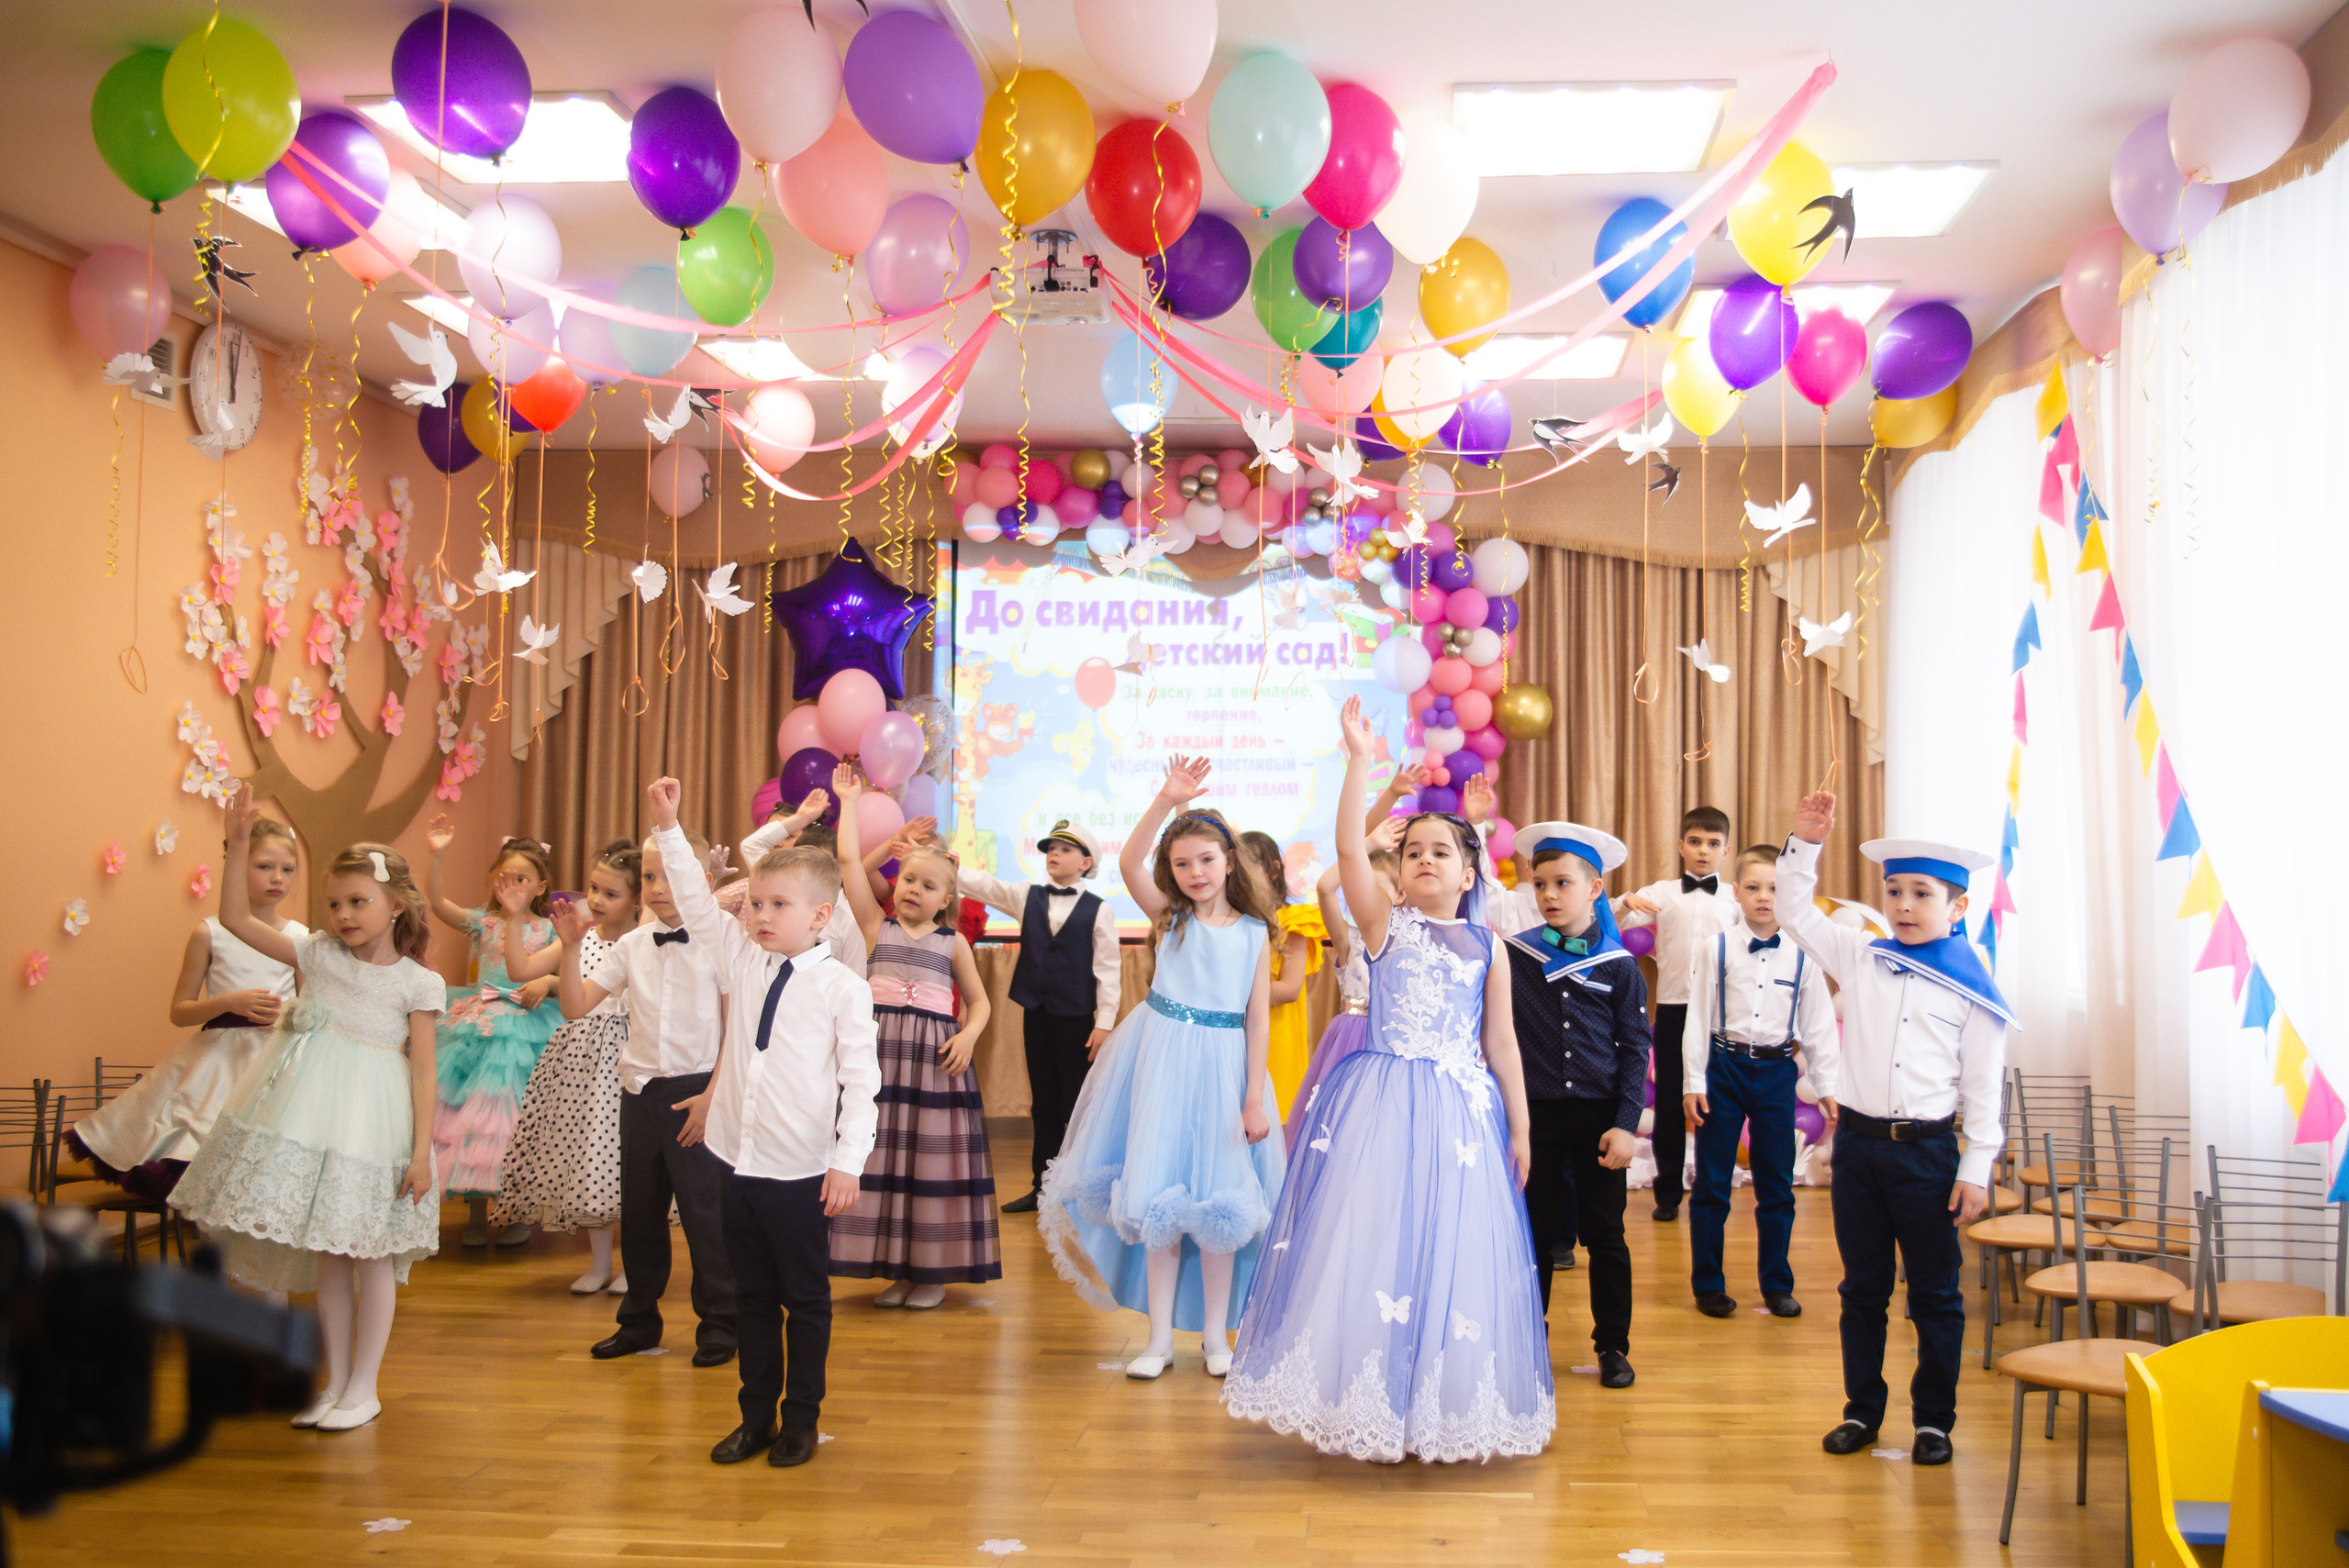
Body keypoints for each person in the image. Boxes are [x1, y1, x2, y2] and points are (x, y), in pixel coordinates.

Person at [1225, 698, 1552, 1462]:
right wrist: (1359, 761)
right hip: (1382, 1101)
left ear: (1471, 872)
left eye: (1443, 851)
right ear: (1399, 873)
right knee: (1375, 1244)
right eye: (1414, 851)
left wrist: (1522, 1124)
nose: (1426, 859)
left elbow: (1499, 1040)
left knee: (1448, 1247)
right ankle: (1367, 1396)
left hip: (1463, 1112)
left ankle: (1435, 1405)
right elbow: (1345, 850)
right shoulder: (1384, 926)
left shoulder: (1489, 945)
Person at [171, 787, 443, 1432]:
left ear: (394, 903)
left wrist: (422, 1149)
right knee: (329, 1253)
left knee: (370, 1250)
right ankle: (336, 1382)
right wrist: (237, 843)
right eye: (334, 903)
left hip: (376, 1120)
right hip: (314, 1112)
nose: (343, 914)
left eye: (358, 901)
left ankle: (366, 1385)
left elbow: (425, 1069)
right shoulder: (315, 953)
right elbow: (235, 918)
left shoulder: (416, 981)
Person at [651, 776, 880, 1470]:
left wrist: (848, 1161)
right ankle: (755, 1416)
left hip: (802, 1172)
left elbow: (861, 1083)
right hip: (736, 1162)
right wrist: (668, 824)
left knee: (804, 1301)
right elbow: (694, 896)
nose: (759, 914)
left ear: (820, 917)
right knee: (752, 1298)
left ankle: (800, 1420)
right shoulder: (740, 956)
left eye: (778, 904)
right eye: (755, 902)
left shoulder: (842, 987)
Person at [1776, 792, 2009, 1468]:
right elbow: (1792, 912)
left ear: (1957, 906)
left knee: (1935, 1292)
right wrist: (1805, 843)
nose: (1904, 905)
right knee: (1862, 1288)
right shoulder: (1862, 956)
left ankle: (1934, 1420)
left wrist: (1975, 1169)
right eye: (1895, 891)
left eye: (1922, 894)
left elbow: (1982, 1087)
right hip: (1859, 1151)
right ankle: (1861, 1410)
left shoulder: (1975, 989)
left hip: (1929, 1153)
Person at [1040, 755, 1284, 1381]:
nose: (1195, 872)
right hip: (1164, 1058)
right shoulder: (1169, 917)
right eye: (1182, 863)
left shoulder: (1255, 931)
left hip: (1226, 1065)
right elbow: (1126, 863)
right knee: (1159, 1198)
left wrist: (1252, 1098)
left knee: (1220, 1200)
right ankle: (1156, 1340)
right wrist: (1165, 798)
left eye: (1206, 859)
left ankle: (1214, 1337)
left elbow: (1257, 1018)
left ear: (1229, 860)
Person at [556, 825, 739, 1368]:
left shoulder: (722, 939)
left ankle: (720, 1325)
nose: (657, 887)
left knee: (707, 1218)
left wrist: (712, 1096)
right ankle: (638, 1321)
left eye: (668, 875)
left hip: (698, 1094)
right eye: (650, 877)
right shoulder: (632, 945)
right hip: (640, 1092)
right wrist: (569, 949)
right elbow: (574, 1005)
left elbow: (735, 1029)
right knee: (639, 1215)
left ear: (701, 880)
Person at [828, 764, 999, 1307]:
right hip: (879, 1061)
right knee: (881, 1159)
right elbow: (849, 861)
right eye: (907, 880)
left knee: (925, 1162)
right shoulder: (876, 928)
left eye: (928, 886)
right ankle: (897, 1270)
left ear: (947, 898)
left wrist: (969, 1036)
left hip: (931, 1067)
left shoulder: (954, 946)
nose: (913, 891)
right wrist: (849, 802)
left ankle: (929, 1275)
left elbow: (980, 1003)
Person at [71, 816, 306, 1198]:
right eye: (264, 867)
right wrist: (229, 1002)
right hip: (217, 1063)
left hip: (272, 1061)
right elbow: (180, 1010)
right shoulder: (209, 932)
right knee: (200, 1147)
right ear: (235, 863)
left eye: (287, 869)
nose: (277, 878)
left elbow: (307, 1009)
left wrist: (287, 1017)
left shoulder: (301, 940)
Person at [1497, 821, 1653, 1390]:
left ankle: (1612, 1344)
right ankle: (1524, 1336)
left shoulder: (1619, 966)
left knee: (1605, 1235)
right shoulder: (1514, 957)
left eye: (1563, 883)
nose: (1549, 896)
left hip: (1597, 1118)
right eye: (1539, 885)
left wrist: (1624, 1123)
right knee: (1531, 1232)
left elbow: (1636, 1049)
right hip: (1533, 1116)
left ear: (1594, 889)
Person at [1682, 844, 1838, 1321]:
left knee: (1776, 1185)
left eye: (1774, 888)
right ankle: (1708, 1285)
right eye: (1753, 887)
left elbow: (1818, 1024)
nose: (1764, 897)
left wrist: (1829, 1083)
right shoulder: (1716, 947)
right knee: (1712, 1184)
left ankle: (1777, 1284)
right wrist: (1693, 1081)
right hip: (1724, 1070)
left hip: (1775, 1074)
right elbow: (1698, 1017)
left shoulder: (1804, 955)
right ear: (1737, 892)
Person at [492, 840, 643, 1296]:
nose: (596, 901)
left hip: (625, 1060)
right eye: (594, 889)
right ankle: (599, 1264)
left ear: (638, 900)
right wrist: (518, 917)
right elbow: (518, 969)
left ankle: (635, 1268)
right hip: (578, 1063)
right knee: (588, 1162)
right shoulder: (582, 936)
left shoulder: (643, 941)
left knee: (625, 1167)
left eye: (610, 894)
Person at [957, 817, 1119, 1215]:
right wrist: (945, 864)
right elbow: (981, 884)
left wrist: (1104, 1024)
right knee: (1043, 1104)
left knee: (1077, 1105)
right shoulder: (1025, 896)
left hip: (1078, 1020)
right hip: (1038, 1015)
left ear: (1086, 862)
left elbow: (1108, 970)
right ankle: (1042, 1188)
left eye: (1065, 849)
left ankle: (1080, 1189)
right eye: (1050, 848)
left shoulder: (1099, 911)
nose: (1054, 855)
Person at [423, 820, 562, 1245]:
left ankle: (519, 1210)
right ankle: (477, 1214)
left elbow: (561, 971)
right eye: (505, 877)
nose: (513, 885)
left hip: (528, 1023)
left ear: (540, 887)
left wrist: (548, 982)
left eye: (522, 878)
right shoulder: (484, 923)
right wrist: (438, 854)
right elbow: (437, 903)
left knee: (515, 1119)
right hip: (480, 1019)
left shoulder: (549, 929)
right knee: (472, 1117)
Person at [1614, 806, 1739, 1220]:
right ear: (1682, 845)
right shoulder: (1663, 892)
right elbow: (1616, 921)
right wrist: (1623, 901)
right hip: (1672, 1010)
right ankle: (1667, 1194)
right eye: (1696, 842)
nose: (1704, 851)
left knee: (1716, 1101)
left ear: (1725, 849)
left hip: (1723, 1015)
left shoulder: (1735, 899)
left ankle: (1712, 1187)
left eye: (1713, 843)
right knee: (1669, 1101)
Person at [1281, 815, 1400, 1151]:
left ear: (1400, 893)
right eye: (1355, 892)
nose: (1364, 899)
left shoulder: (1412, 939)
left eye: (1375, 889)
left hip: (1392, 1041)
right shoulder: (1350, 940)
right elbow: (1323, 888)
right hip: (1351, 1039)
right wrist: (1369, 845)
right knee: (1341, 1131)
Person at [1240, 829, 1322, 1122]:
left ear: (1274, 870)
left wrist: (1232, 992)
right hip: (1236, 1037)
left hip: (1278, 1037)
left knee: (1273, 1118)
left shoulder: (1292, 921)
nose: (1241, 878)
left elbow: (1289, 989)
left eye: (1250, 868)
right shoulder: (1234, 922)